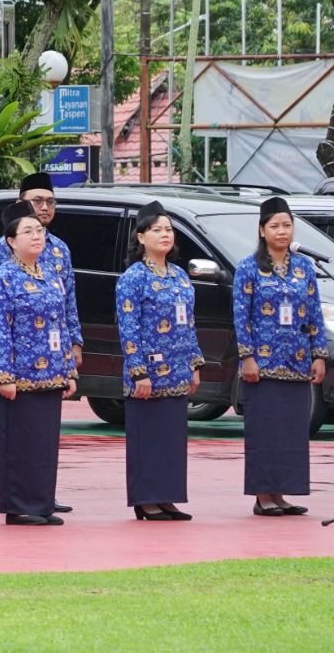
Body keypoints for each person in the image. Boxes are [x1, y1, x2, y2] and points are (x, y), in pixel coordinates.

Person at [0, 172, 82, 518]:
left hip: (52, 358)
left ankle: (41, 498)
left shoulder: (56, 256)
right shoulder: (3, 256)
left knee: (44, 438)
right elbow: (0, 320)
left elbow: (68, 302)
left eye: (49, 202)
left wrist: (74, 345)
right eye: (36, 202)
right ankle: (20, 502)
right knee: (22, 436)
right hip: (21, 362)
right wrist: (5, 372)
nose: (43, 210)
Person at [233, 196, 328, 516]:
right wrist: (246, 356)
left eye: (287, 225)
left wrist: (319, 355)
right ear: (262, 230)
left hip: (298, 360)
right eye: (275, 226)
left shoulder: (303, 267)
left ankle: (282, 492)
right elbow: (240, 316)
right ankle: (263, 496)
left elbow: (314, 313)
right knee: (265, 430)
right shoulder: (248, 268)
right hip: (262, 362)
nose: (282, 231)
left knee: (291, 432)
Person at [116, 201, 201, 521]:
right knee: (147, 437)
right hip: (148, 371)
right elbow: (128, 327)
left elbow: (189, 323)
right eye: (157, 230)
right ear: (141, 237)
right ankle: (146, 500)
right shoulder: (133, 278)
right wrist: (139, 372)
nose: (165, 235)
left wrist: (194, 363)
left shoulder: (179, 275)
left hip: (178, 369)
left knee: (171, 438)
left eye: (168, 229)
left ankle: (166, 497)